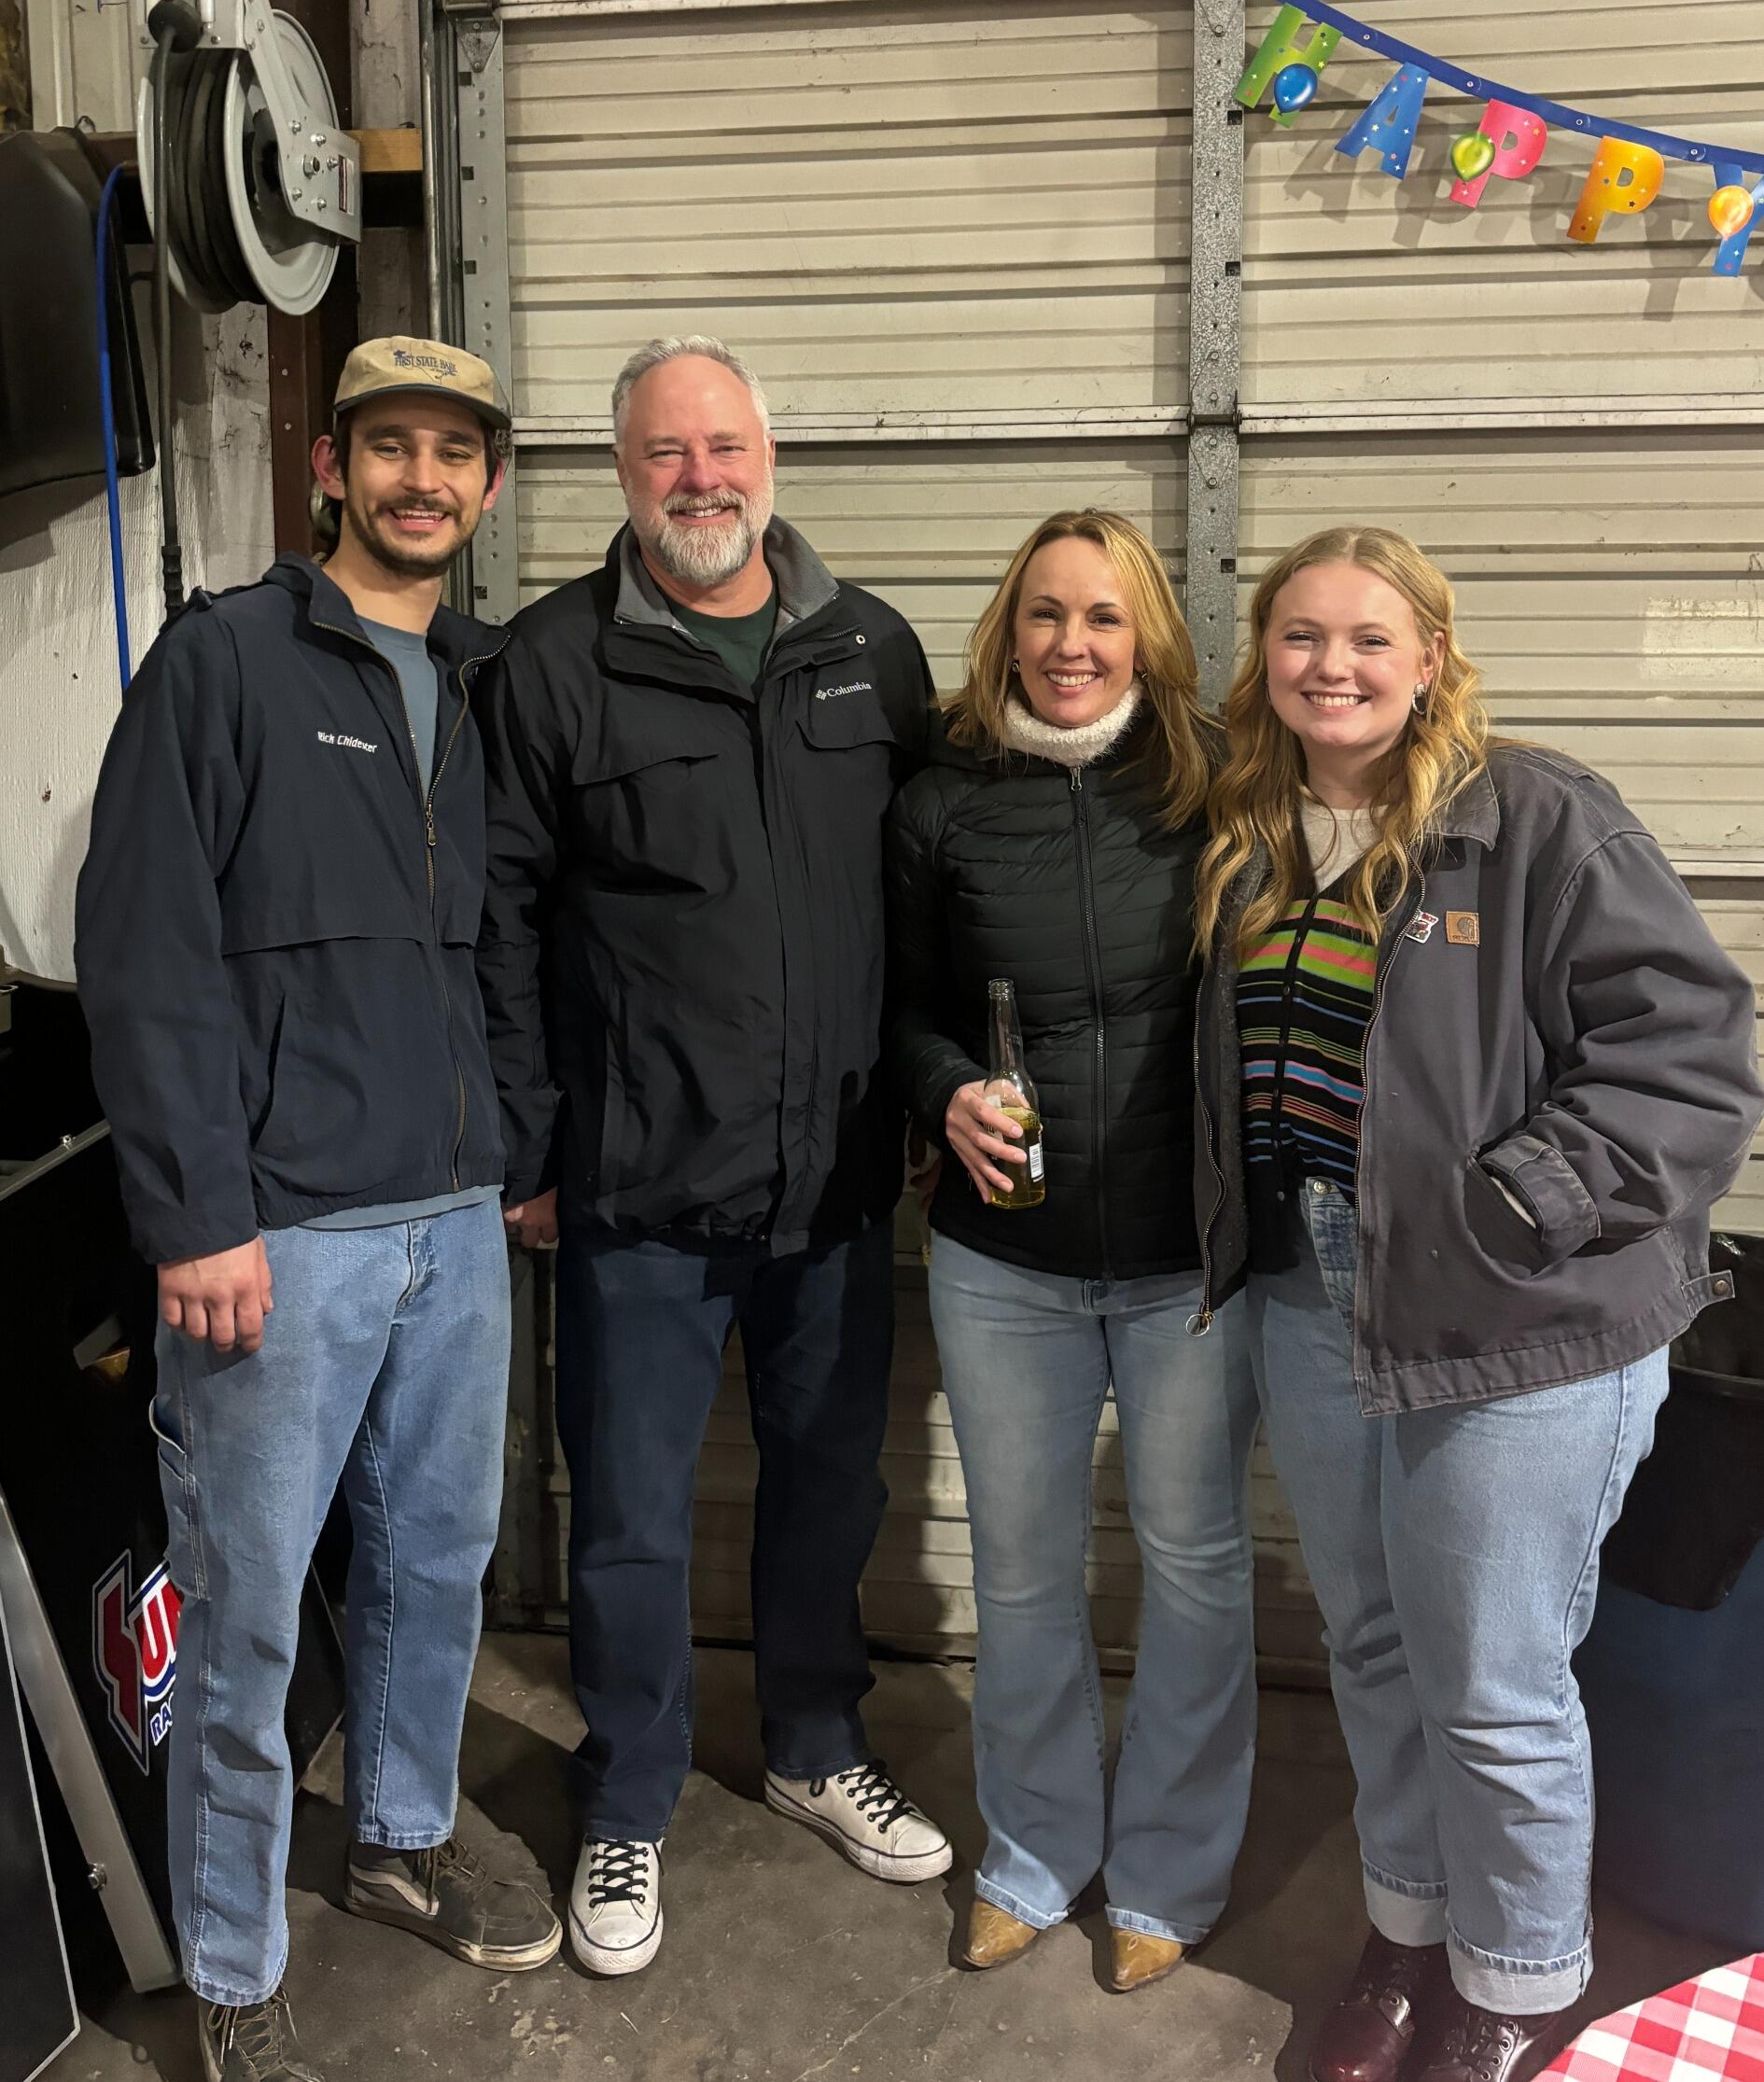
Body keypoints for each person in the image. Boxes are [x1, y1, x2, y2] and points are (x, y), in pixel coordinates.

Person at [1191, 526, 1763, 2082]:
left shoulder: (1532, 816)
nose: (1331, 666)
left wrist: (1524, 1201)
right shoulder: (1255, 824)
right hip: (1319, 1299)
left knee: (1494, 1680)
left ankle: (1511, 1980)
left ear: (1429, 656)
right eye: (1300, 637)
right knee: (1372, 1644)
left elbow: (1694, 1051)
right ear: (1265, 657)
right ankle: (1408, 1926)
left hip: (1513, 1325)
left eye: (1369, 639)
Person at [75, 339, 562, 2082]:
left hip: (456, 1213)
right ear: (329, 468)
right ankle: (227, 1961)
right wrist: (197, 1213)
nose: (423, 479)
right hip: (279, 1230)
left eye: (455, 453)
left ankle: (403, 1834)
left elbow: (500, 947)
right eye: (390, 448)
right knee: (251, 1604)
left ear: (488, 488)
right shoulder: (224, 664)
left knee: (439, 1562)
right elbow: (140, 951)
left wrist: (523, 1154)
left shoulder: (491, 686)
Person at [476, 333, 950, 1979]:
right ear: (619, 474)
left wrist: (930, 1105)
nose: (702, 480)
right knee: (622, 1515)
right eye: (667, 453)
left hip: (831, 1186)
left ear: (772, 460)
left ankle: (816, 1747)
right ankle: (628, 1800)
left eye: (726, 448)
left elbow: (922, 906)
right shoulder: (549, 664)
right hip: (635, 1193)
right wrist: (528, 1144)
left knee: (831, 1484)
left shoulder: (868, 652)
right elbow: (500, 923)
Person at [887, 510, 1260, 1991]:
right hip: (1005, 1264)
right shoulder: (941, 805)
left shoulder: (1221, 782)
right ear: (1005, 629)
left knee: (1195, 1570)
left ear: (1148, 633)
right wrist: (941, 1092)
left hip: (1188, 1263)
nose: (1069, 645)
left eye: (1102, 617)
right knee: (1025, 1573)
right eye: (1043, 614)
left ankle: (1166, 1877)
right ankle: (1033, 1857)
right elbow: (902, 1008)